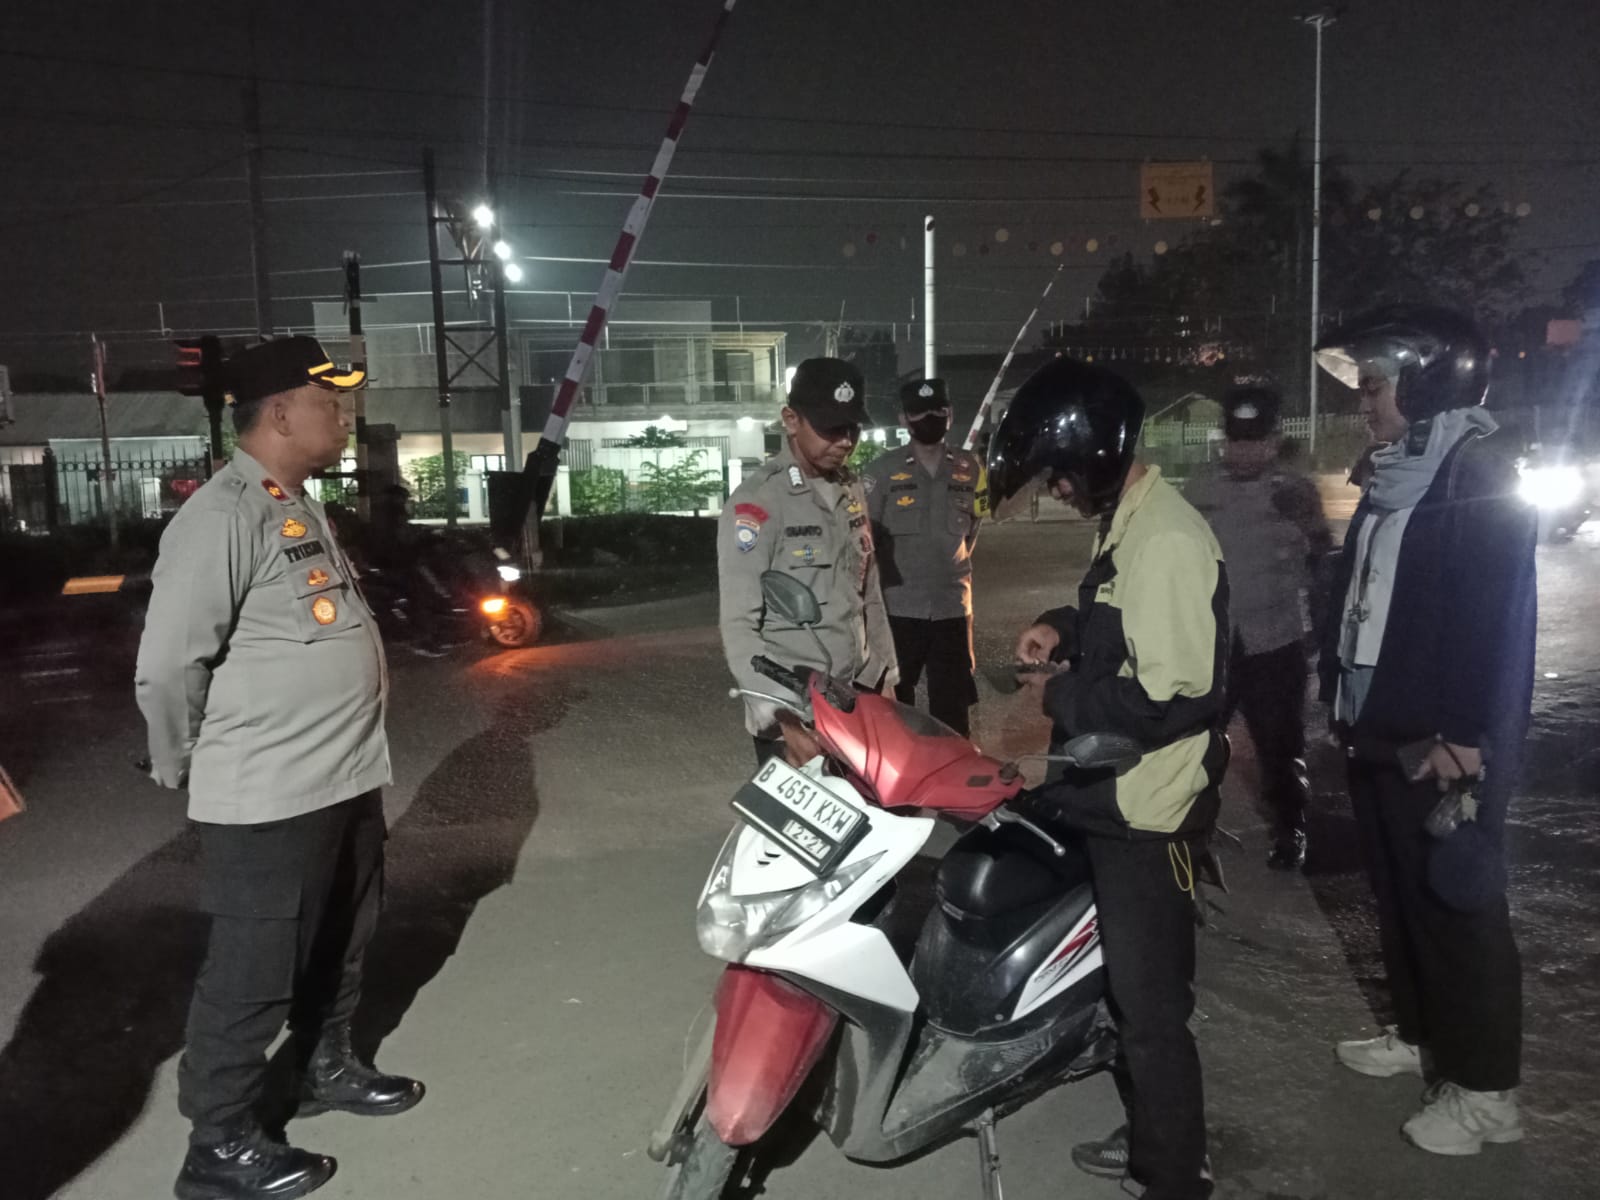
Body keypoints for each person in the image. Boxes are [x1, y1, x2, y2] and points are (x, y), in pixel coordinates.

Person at [135, 336, 424, 1200]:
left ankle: (323, 1067)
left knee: (343, 939)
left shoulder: (291, 504)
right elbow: (169, 665)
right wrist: (182, 760)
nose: (343, 417)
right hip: (269, 794)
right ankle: (219, 1144)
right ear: (281, 414)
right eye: (328, 402)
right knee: (253, 972)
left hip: (343, 777)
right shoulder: (222, 516)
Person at [990, 357, 1227, 1200]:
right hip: (1109, 792)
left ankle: (1175, 1173)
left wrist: (1059, 693)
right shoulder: (1132, 524)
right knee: (1122, 992)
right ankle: (1153, 1133)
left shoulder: (1167, 539)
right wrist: (1060, 626)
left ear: (1091, 450)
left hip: (1149, 811)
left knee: (1151, 1007)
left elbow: (1172, 698)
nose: (1055, 489)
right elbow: (1116, 625)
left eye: (1057, 472)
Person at [1314, 305, 1536, 1155]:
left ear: (1430, 379)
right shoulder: (1395, 474)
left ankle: (1485, 1092)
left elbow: (1493, 618)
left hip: (1442, 741)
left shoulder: (1475, 475)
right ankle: (1418, 1035)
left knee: (1458, 907)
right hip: (1380, 726)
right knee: (1399, 894)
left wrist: (1469, 735)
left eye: (1375, 385)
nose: (1364, 400)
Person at [718, 357, 898, 767]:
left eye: (852, 428)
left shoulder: (851, 489)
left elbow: (869, 593)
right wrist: (783, 719)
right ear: (791, 420)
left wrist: (886, 676)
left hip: (856, 697)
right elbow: (739, 625)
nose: (846, 441)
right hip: (796, 711)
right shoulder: (758, 502)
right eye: (831, 428)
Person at [1184, 386, 1332, 869]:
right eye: (1236, 440)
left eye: (1255, 441)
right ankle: (1190, 834)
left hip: (1276, 643)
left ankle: (1291, 830)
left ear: (1273, 441)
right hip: (1212, 645)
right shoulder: (1198, 491)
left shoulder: (1295, 492)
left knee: (1280, 748)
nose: (1244, 451)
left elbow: (1322, 565)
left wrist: (1321, 637)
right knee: (1194, 746)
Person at [861, 378, 983, 737]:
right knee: (896, 715)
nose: (929, 417)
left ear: (950, 414)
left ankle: (952, 772)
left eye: (938, 410)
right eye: (919, 411)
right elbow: (865, 541)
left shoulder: (971, 469)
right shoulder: (881, 472)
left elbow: (971, 534)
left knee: (953, 717)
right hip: (899, 611)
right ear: (903, 418)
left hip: (952, 611)